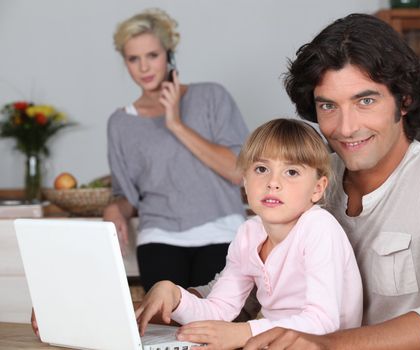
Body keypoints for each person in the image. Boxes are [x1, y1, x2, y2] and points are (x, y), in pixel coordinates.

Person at [239, 13, 420, 350]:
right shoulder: (313, 177)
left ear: (404, 100)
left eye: (365, 101)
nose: (345, 127)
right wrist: (184, 299)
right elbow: (252, 274)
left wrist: (328, 344)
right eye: (328, 105)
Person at [134, 118, 363, 349]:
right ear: (245, 180)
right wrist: (175, 297)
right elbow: (220, 309)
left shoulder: (319, 228)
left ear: (317, 188)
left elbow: (322, 321)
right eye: (261, 169)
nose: (273, 183)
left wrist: (245, 332)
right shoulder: (249, 234)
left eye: (291, 172)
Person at [104, 8, 249, 291]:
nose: (144, 68)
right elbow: (128, 197)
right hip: (159, 235)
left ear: (169, 54)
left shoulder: (211, 96)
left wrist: (176, 124)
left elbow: (238, 171)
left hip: (222, 231)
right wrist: (114, 207)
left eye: (152, 56)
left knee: (212, 325)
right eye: (134, 59)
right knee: (164, 326)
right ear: (125, 62)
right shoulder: (120, 123)